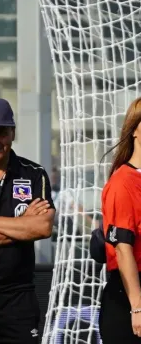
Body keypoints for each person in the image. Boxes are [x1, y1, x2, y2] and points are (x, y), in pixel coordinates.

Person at [0, 98, 55, 344]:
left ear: (13, 133)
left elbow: (42, 227)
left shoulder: (33, 174)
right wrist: (21, 225)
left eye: (1, 132)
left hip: (18, 295)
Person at [98, 97, 141, 343]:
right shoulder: (123, 182)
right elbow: (122, 247)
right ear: (135, 128)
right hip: (128, 296)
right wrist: (137, 306)